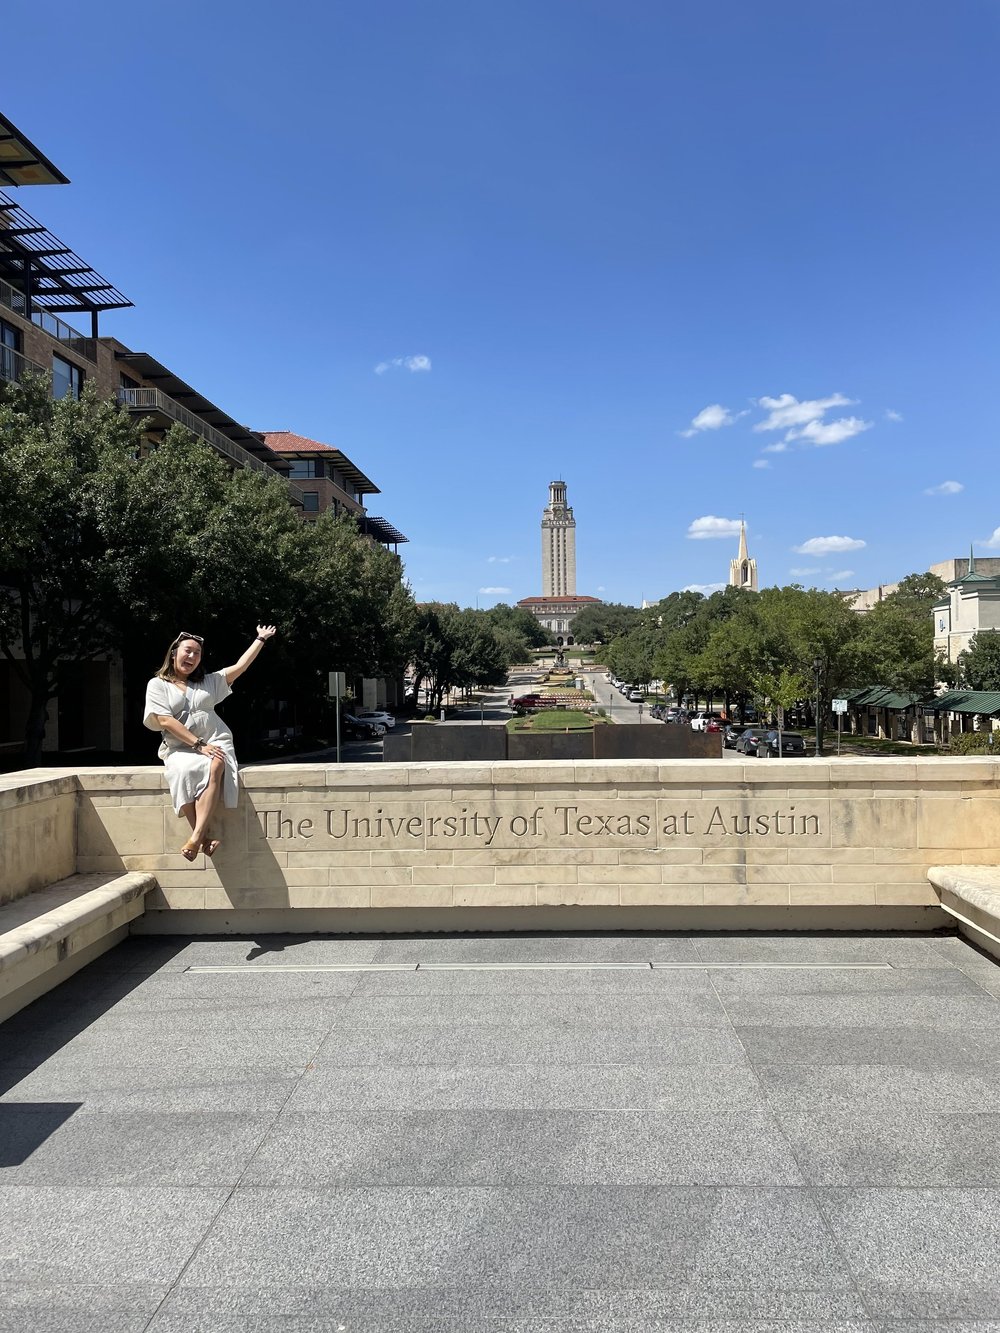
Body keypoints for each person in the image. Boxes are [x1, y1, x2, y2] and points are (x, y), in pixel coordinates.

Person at [143, 625, 277, 861]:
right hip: (180, 746)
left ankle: (195, 839)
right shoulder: (158, 685)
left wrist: (260, 639)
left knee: (217, 762)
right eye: (188, 651)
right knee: (181, 771)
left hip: (216, 739)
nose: (192, 657)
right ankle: (203, 839)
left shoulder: (209, 682)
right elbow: (165, 720)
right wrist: (198, 745)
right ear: (174, 653)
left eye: (197, 654)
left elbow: (241, 667)